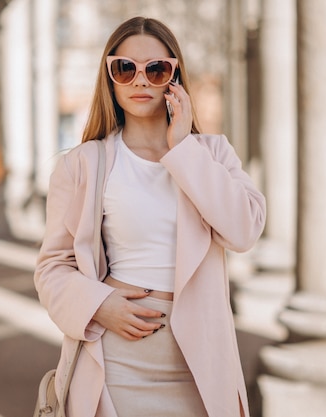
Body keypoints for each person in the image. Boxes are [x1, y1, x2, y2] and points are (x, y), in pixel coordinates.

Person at [34, 16, 266, 417]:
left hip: (201, 363)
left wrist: (182, 150)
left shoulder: (211, 153)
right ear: (110, 78)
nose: (140, 80)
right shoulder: (83, 165)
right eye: (125, 68)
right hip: (117, 361)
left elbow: (244, 230)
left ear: (174, 77)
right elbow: (52, 267)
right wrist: (98, 305)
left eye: (156, 69)